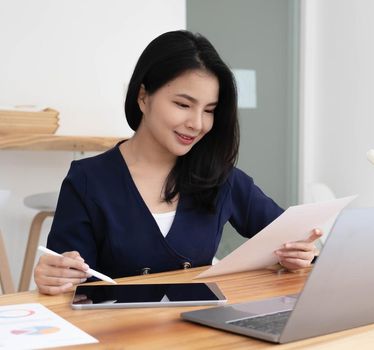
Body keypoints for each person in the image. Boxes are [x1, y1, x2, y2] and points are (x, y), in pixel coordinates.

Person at [34, 30, 321, 295]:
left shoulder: (223, 178)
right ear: (143, 97)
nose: (196, 124)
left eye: (209, 110)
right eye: (183, 105)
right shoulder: (89, 180)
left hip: (201, 335)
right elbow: (66, 278)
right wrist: (54, 277)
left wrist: (302, 254)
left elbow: (291, 238)